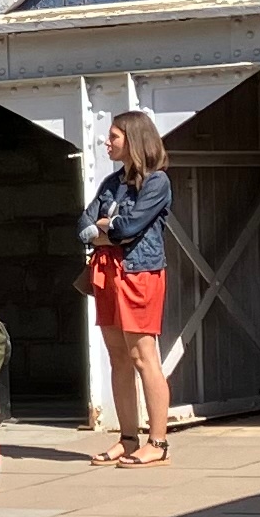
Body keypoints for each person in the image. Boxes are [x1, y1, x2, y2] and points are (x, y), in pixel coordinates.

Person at [82, 112, 176, 468]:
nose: (107, 143)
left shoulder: (157, 182)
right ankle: (127, 438)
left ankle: (158, 442)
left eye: (114, 137)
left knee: (142, 356)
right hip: (106, 270)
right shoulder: (112, 181)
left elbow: (130, 228)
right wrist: (107, 230)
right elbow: (84, 224)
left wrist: (108, 228)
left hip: (139, 272)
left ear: (133, 140)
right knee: (118, 356)